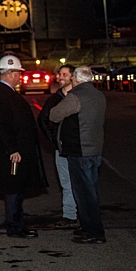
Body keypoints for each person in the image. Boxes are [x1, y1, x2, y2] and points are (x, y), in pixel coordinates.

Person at [0, 54, 47, 238]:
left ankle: (18, 224)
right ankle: (14, 226)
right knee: (13, 189)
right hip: (13, 153)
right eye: (18, 73)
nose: (20, 77)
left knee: (18, 188)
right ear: (10, 73)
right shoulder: (2, 94)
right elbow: (3, 125)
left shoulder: (6, 93)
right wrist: (12, 149)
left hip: (17, 150)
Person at [46, 66, 107, 244]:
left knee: (83, 192)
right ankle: (89, 227)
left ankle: (94, 232)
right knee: (92, 189)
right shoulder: (99, 95)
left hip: (79, 150)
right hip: (94, 149)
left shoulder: (76, 96)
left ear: (76, 79)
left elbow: (54, 115)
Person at [35, 65, 80, 230]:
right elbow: (42, 118)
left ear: (73, 77)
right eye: (59, 74)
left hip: (79, 147)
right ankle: (70, 215)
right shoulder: (55, 98)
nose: (60, 77)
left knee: (82, 181)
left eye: (64, 74)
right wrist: (53, 138)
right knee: (66, 182)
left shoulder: (79, 96)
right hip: (61, 149)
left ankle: (84, 214)